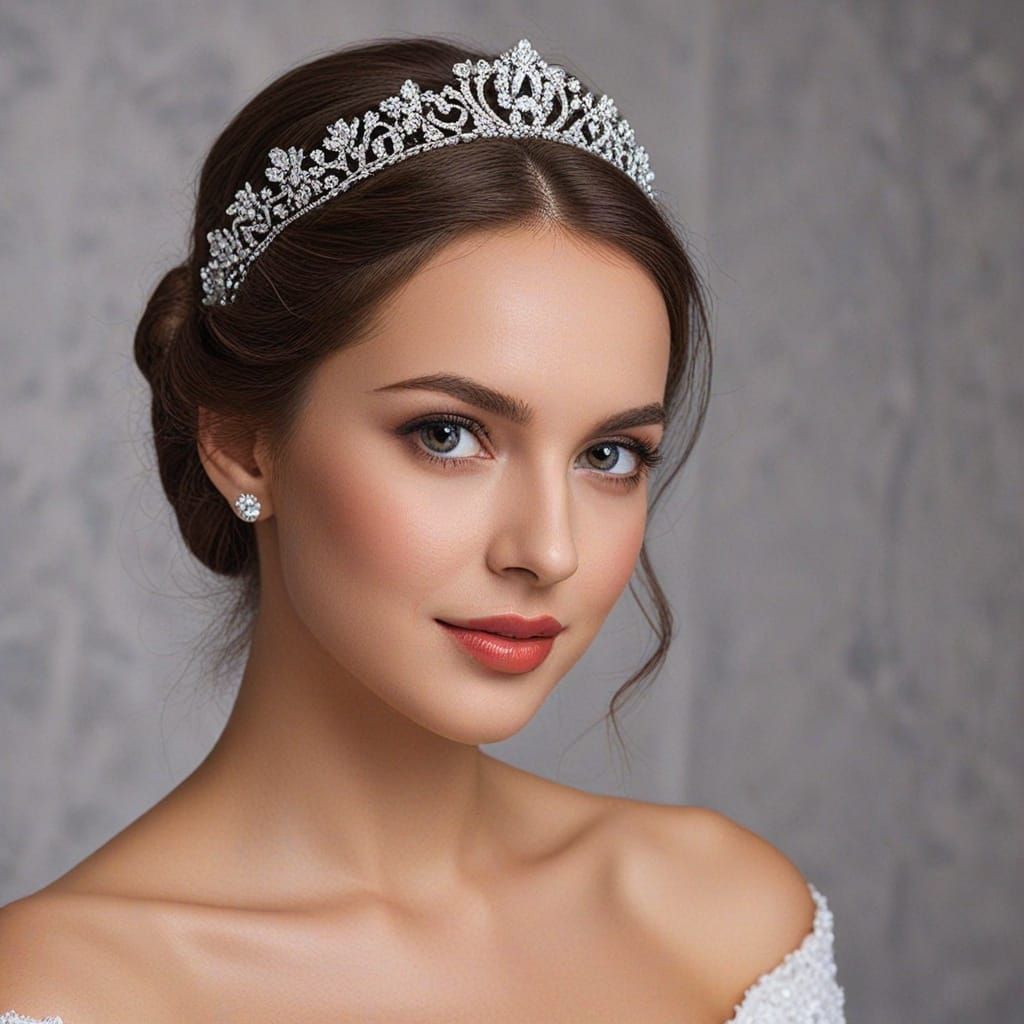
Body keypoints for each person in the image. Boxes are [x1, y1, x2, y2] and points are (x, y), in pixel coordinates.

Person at [0, 35, 845, 1023]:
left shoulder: (726, 920)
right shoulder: (58, 990)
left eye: (609, 455)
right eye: (448, 434)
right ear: (241, 446)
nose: (549, 550)